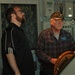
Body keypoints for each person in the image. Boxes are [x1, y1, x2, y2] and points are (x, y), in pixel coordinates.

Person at [1, 6, 35, 75]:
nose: (23, 13)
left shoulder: (19, 31)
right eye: (20, 11)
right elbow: (9, 52)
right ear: (12, 15)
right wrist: (16, 72)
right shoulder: (10, 31)